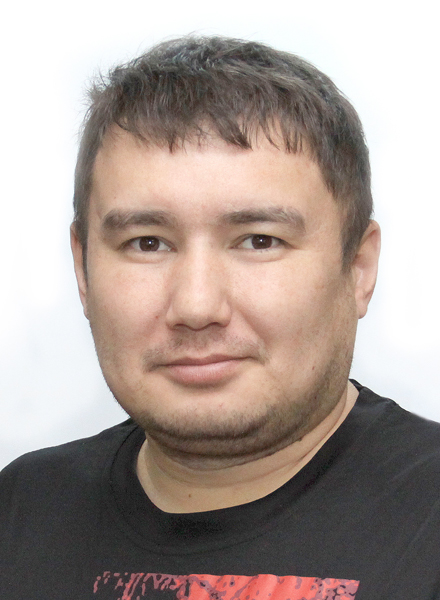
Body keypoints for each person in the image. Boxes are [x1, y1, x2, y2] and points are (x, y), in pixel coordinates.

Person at [1, 35, 439, 600]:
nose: (197, 306)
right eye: (147, 243)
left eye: (259, 240)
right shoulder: (19, 514)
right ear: (83, 272)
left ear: (358, 267)